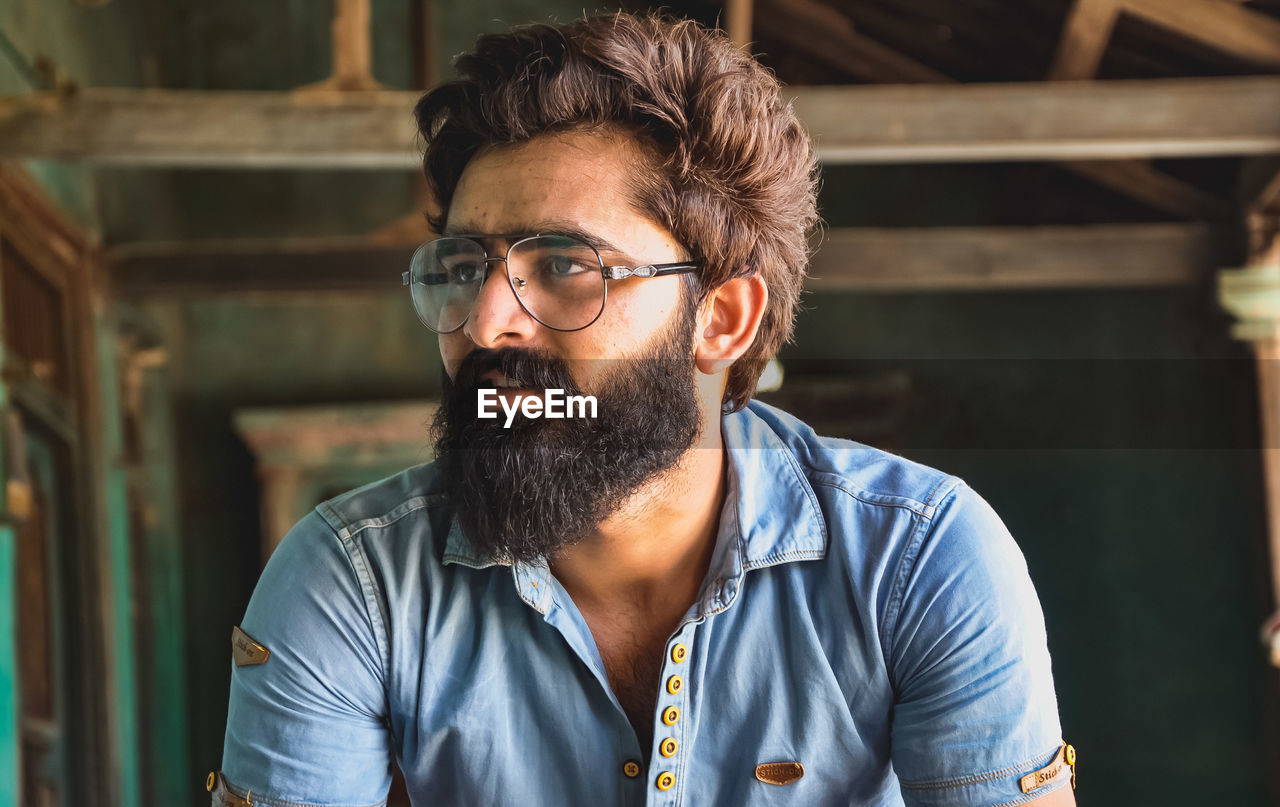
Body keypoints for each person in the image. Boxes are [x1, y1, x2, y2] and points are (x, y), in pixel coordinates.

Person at [212, 12, 1075, 807]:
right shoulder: (350, 583)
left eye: (563, 265)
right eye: (467, 265)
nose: (484, 321)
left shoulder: (918, 560)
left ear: (721, 319)